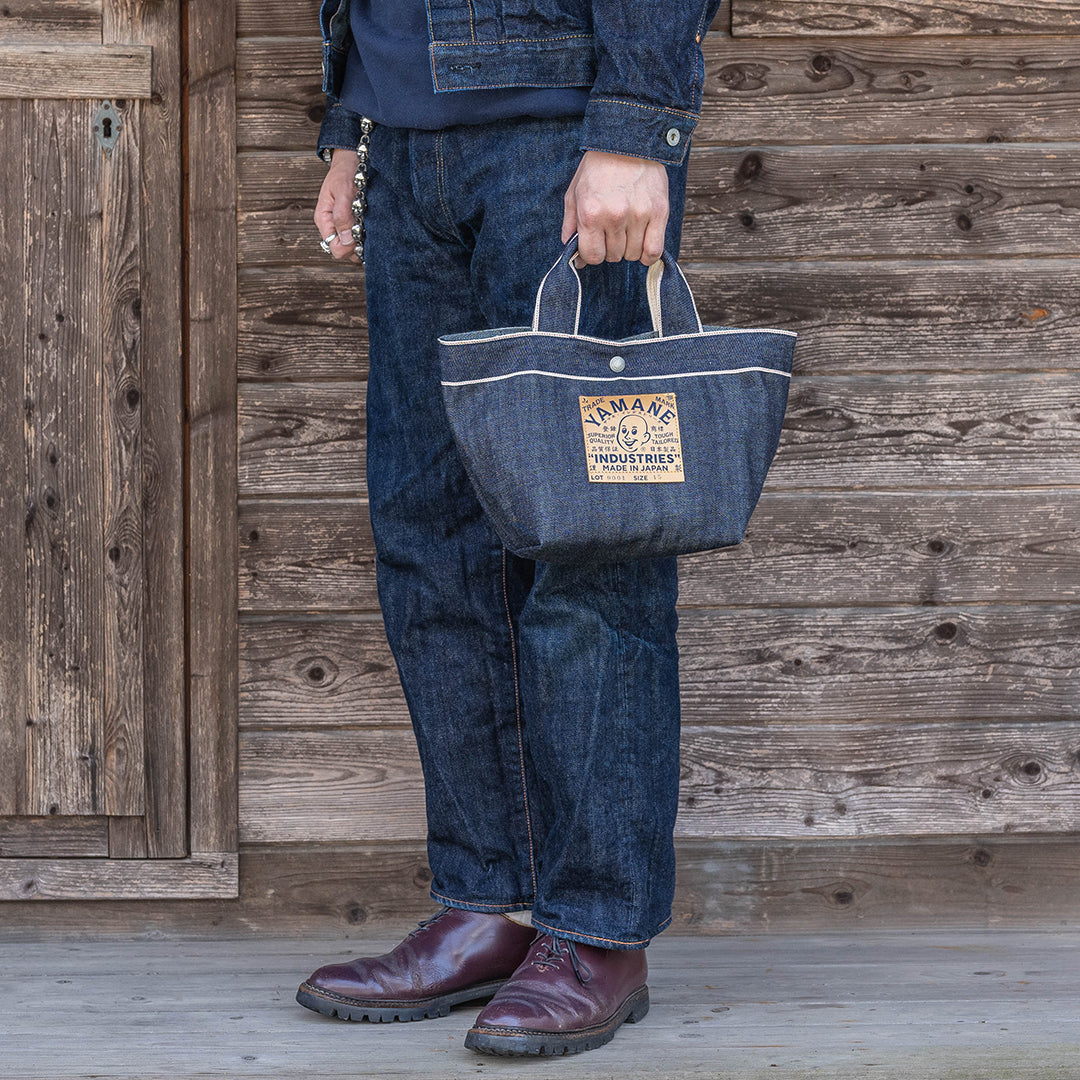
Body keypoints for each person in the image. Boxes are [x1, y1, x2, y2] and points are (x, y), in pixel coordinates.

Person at [297, 0, 722, 1058]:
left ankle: (597, 931)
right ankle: (489, 903)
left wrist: (634, 126)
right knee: (430, 538)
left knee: (586, 542)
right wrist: (352, 118)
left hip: (560, 134)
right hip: (407, 143)